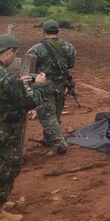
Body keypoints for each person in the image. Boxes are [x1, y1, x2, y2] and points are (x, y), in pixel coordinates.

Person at [0, 34, 46, 221]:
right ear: (8, 52)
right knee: (6, 167)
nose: (13, 57)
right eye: (14, 53)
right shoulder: (7, 79)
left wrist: (19, 83)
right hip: (6, 130)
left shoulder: (8, 78)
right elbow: (30, 101)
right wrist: (38, 86)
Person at [26, 20, 76, 154]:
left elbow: (27, 67)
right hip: (61, 84)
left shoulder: (36, 48)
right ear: (58, 31)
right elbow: (71, 64)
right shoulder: (68, 47)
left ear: (43, 31)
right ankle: (48, 139)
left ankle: (60, 143)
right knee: (56, 112)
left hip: (44, 85)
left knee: (47, 114)